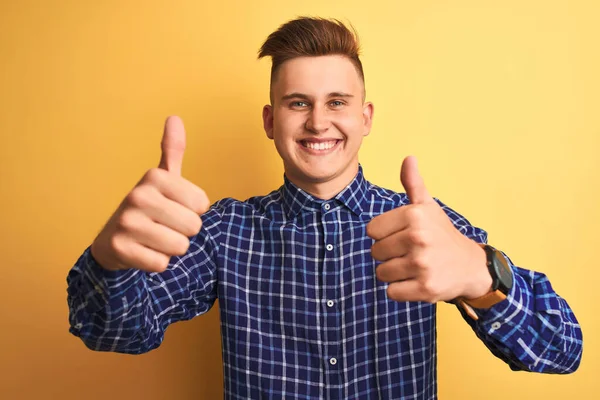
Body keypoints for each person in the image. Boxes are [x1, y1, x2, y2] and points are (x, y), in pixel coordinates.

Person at [67, 17, 583, 399]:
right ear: (271, 121)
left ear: (365, 117)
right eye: (298, 103)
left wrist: (479, 274)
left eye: (337, 102)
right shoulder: (224, 232)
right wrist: (111, 263)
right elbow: (115, 331)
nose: (318, 122)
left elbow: (563, 351)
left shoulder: (423, 225)